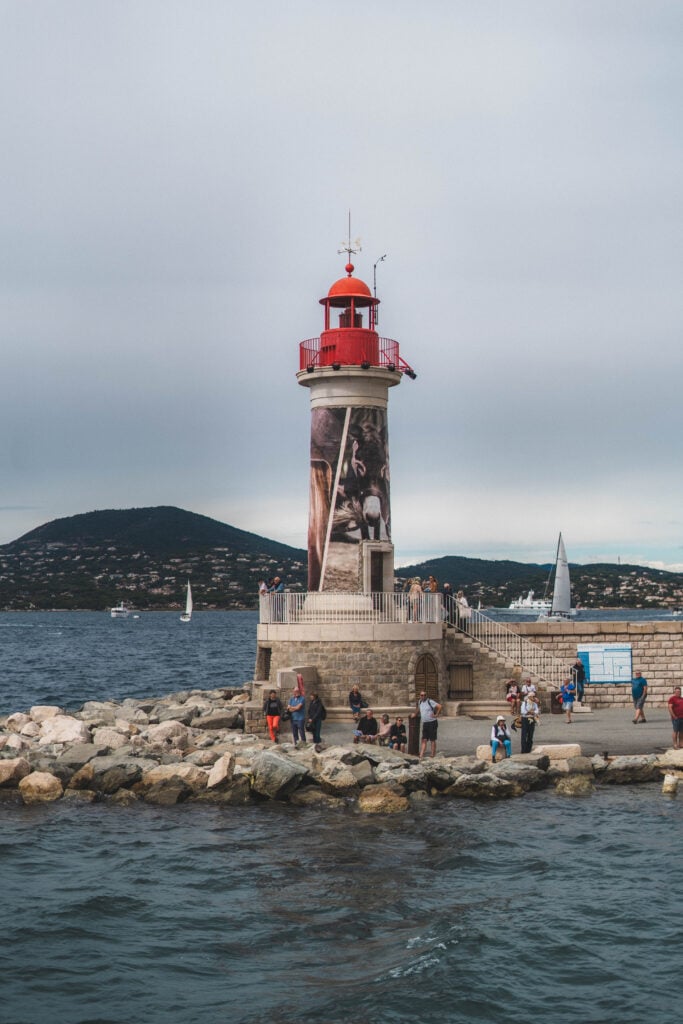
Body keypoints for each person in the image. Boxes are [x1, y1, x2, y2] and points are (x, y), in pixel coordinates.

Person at [415, 690, 442, 758]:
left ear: (426, 696)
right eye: (422, 695)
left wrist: (436, 714)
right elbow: (419, 709)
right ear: (420, 696)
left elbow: (439, 706)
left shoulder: (430, 701)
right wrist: (415, 714)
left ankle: (432, 754)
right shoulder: (420, 702)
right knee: (424, 739)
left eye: (424, 695)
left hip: (432, 722)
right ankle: (421, 755)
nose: (423, 696)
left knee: (432, 739)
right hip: (425, 723)